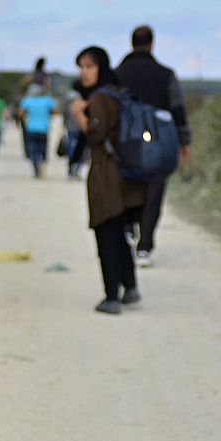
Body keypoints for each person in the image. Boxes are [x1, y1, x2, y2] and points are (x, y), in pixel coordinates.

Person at [71, 46, 145, 314]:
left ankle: (111, 296)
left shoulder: (100, 97)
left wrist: (80, 114)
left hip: (107, 174)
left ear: (101, 67)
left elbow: (96, 133)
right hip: (126, 174)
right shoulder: (119, 93)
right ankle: (130, 287)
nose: (84, 72)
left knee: (106, 234)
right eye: (81, 67)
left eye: (89, 66)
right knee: (119, 231)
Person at [114, 25, 191, 268]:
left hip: (125, 142)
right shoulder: (165, 74)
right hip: (158, 142)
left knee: (126, 186)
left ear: (132, 43)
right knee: (154, 191)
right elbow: (177, 108)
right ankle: (145, 246)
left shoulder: (117, 74)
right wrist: (183, 140)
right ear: (151, 44)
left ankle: (128, 229)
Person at [17, 83, 58, 178]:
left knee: (33, 149)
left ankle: (35, 165)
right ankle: (42, 163)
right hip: (43, 128)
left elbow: (20, 113)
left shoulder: (27, 100)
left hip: (31, 128)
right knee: (42, 148)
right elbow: (56, 111)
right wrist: (48, 113)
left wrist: (26, 116)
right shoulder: (47, 100)